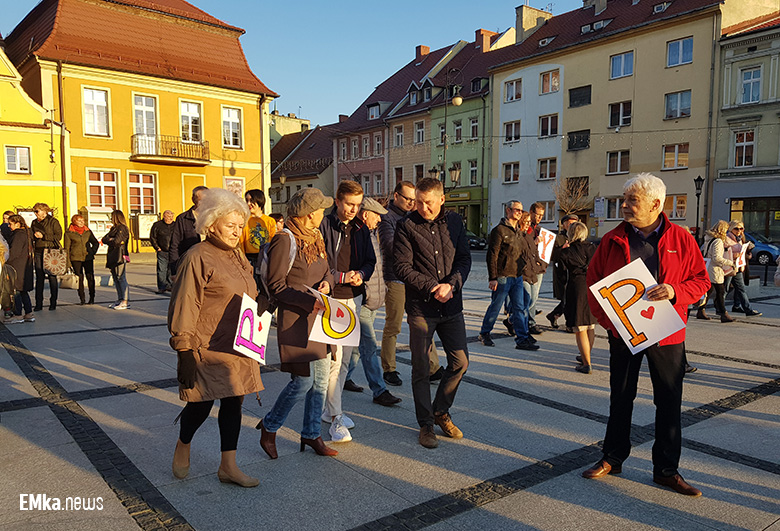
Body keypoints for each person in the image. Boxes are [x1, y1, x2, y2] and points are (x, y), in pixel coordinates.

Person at [583, 173, 710, 496]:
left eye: (632, 200)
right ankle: (613, 457)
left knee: (668, 401)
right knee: (621, 396)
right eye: (624, 199)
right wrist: (610, 324)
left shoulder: (681, 238)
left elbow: (701, 281)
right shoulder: (612, 239)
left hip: (667, 334)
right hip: (624, 334)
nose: (624, 206)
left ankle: (666, 470)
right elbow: (593, 283)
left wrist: (675, 291)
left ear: (656, 204)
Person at [168, 188, 262, 488]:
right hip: (206, 345)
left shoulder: (237, 255)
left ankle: (228, 466)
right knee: (201, 404)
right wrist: (184, 350)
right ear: (211, 224)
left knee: (234, 402)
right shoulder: (197, 256)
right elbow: (185, 303)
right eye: (230, 225)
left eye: (240, 226)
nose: (237, 232)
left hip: (238, 343)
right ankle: (184, 442)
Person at [258, 188, 338, 460]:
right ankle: (269, 426)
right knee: (302, 382)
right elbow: (276, 285)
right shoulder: (285, 239)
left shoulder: (316, 235)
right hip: (297, 321)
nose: (324, 214)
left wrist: (328, 282)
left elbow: (328, 269)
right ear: (308, 214)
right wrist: (307, 301)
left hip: (320, 318)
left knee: (321, 380)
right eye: (321, 210)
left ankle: (311, 433)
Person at [394, 177, 471, 449]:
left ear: (441, 199)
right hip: (421, 308)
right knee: (421, 367)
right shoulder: (406, 225)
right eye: (418, 202)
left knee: (460, 362)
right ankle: (426, 424)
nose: (423, 208)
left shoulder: (455, 222)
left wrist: (452, 284)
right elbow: (401, 267)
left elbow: (464, 259)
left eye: (428, 203)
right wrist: (432, 286)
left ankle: (440, 410)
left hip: (451, 306)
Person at [319, 180, 376, 443]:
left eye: (358, 205)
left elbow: (370, 261)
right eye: (349, 204)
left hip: (353, 298)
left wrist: (361, 274)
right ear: (338, 201)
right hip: (332, 299)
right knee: (335, 359)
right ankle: (335, 417)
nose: (354, 209)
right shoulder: (325, 225)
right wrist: (341, 277)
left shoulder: (361, 228)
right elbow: (319, 263)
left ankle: (331, 409)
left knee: (344, 361)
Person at [378, 181, 442, 386]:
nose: (411, 203)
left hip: (416, 279)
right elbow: (390, 247)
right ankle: (389, 368)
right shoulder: (386, 217)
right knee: (394, 325)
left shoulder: (415, 217)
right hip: (395, 277)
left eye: (414, 200)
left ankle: (433, 368)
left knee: (423, 323)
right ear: (396, 196)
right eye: (407, 199)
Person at [344, 197, 403, 406]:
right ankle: (379, 390)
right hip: (363, 300)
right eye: (377, 216)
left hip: (373, 300)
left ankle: (344, 377)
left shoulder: (371, 234)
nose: (379, 220)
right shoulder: (356, 236)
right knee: (369, 347)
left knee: (356, 347)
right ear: (366, 214)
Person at [478, 201, 538, 351]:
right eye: (516, 210)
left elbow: (522, 253)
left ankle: (522, 338)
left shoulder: (518, 231)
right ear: (508, 210)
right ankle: (485, 333)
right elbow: (492, 255)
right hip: (503, 276)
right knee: (496, 306)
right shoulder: (499, 230)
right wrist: (493, 277)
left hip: (517, 276)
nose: (519, 213)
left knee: (519, 308)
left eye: (521, 210)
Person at [559, 222, 597, 373]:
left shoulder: (566, 252)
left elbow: (562, 276)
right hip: (592, 287)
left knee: (580, 327)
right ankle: (585, 355)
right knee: (590, 326)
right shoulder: (593, 248)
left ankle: (586, 364)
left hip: (577, 288)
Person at [697, 220, 735, 323]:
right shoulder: (718, 241)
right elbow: (716, 258)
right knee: (720, 292)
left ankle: (701, 310)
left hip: (708, 267)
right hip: (715, 269)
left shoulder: (708, 238)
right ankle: (723, 313)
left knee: (709, 290)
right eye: (726, 230)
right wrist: (730, 263)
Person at [547, 214, 580, 329]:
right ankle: (568, 323)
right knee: (566, 297)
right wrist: (562, 249)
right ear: (564, 225)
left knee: (570, 298)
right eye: (570, 223)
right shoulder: (558, 238)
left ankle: (554, 315)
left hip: (574, 272)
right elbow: (551, 255)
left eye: (575, 223)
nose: (572, 226)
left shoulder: (577, 237)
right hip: (562, 271)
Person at [169, 185, 208, 276]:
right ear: (193, 200)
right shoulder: (183, 219)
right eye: (201, 200)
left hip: (212, 263)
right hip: (191, 265)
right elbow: (175, 245)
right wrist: (174, 271)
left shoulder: (216, 217)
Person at [724, 220, 761, 317]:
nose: (739, 231)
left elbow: (743, 254)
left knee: (741, 289)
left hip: (738, 268)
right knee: (725, 289)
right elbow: (725, 254)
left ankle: (748, 310)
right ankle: (720, 308)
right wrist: (738, 253)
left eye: (741, 228)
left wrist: (748, 252)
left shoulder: (739, 239)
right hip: (729, 267)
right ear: (731, 229)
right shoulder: (726, 238)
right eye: (736, 228)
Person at [31, 203, 62, 311]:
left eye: (37, 211)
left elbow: (58, 236)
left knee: (52, 277)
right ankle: (38, 303)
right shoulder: (34, 222)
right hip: (39, 251)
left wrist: (43, 236)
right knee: (39, 278)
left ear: (44, 211)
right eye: (34, 211)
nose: (35, 213)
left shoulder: (53, 221)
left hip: (50, 251)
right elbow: (31, 235)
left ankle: (53, 302)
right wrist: (33, 237)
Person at [5, 215, 35, 323]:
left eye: (10, 224)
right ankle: (28, 313)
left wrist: (5, 261)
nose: (9, 226)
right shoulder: (26, 233)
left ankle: (18, 314)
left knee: (16, 290)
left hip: (17, 266)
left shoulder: (18, 234)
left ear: (17, 224)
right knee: (23, 290)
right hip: (24, 266)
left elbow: (14, 252)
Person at [64, 214, 99, 305]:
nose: (82, 222)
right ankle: (82, 298)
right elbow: (67, 249)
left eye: (83, 220)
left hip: (88, 257)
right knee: (79, 278)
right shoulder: (69, 233)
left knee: (90, 277)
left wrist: (92, 251)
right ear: (74, 221)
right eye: (79, 221)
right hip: (75, 258)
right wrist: (68, 263)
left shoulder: (87, 231)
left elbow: (95, 243)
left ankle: (92, 297)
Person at [240, 189, 277, 269]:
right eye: (247, 200)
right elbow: (241, 241)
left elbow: (273, 240)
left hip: (266, 257)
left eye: (251, 200)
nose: (248, 203)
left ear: (259, 200)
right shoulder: (244, 220)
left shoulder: (269, 221)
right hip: (249, 258)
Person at [525, 202, 547, 335]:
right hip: (527, 268)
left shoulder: (539, 229)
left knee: (534, 297)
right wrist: (534, 243)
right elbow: (523, 247)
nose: (539, 218)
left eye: (541, 215)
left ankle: (531, 322)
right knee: (529, 297)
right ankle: (523, 322)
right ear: (531, 212)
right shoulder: (526, 229)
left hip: (538, 267)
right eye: (537, 215)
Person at [102, 210, 130, 310]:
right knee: (115, 278)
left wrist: (111, 239)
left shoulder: (122, 228)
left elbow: (117, 241)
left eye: (112, 216)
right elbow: (104, 239)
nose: (110, 218)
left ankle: (125, 300)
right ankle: (120, 298)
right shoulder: (114, 228)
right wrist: (110, 239)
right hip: (113, 255)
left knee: (121, 277)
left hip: (120, 255)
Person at [150, 210, 175, 293]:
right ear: (164, 217)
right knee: (161, 270)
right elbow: (153, 237)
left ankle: (170, 285)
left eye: (172, 217)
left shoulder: (175, 225)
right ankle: (162, 287)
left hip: (173, 251)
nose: (170, 219)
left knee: (171, 270)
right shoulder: (157, 225)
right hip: (162, 251)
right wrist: (157, 247)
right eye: (169, 217)